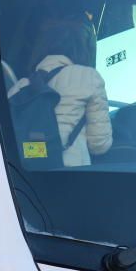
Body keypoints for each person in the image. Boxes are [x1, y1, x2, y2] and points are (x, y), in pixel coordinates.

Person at [15, 17, 113, 167]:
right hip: (73, 175)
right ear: (81, 48)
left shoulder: (21, 87)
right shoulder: (89, 78)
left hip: (30, 176)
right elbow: (99, 145)